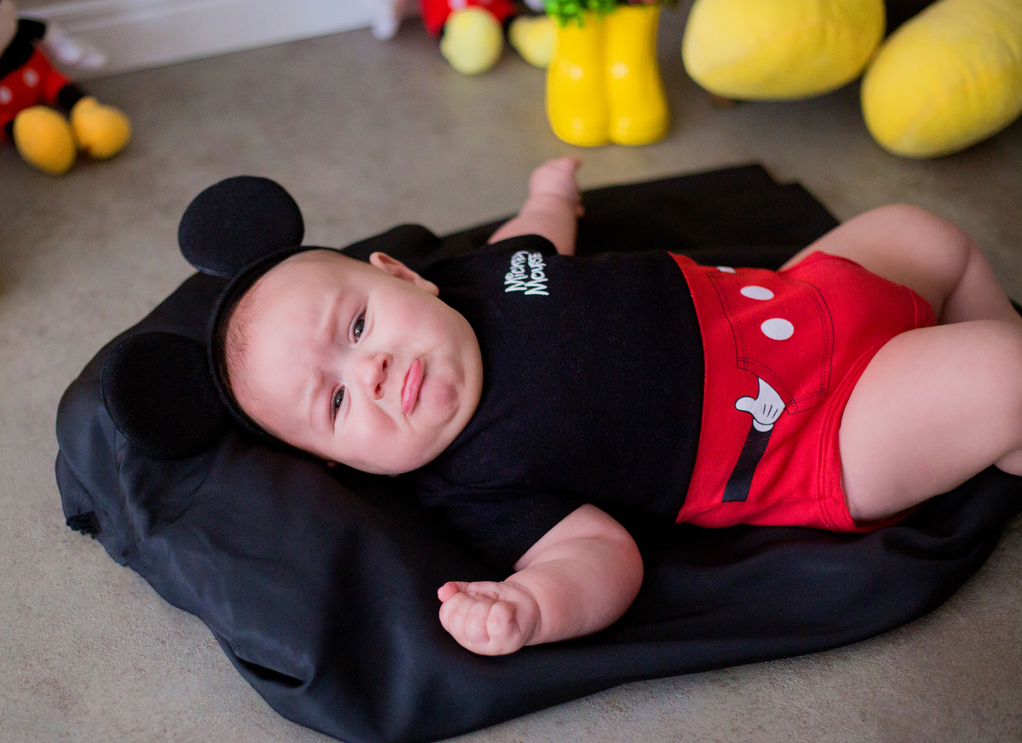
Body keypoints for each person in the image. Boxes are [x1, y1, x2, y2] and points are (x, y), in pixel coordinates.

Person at [213, 158, 1022, 657]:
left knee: (923, 232)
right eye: (337, 400)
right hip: (812, 431)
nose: (374, 370)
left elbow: (537, 235)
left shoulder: (482, 275)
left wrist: (550, 193)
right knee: (1000, 370)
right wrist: (533, 606)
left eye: (358, 327)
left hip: (794, 300)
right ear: (343, 463)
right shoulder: (473, 480)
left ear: (404, 276)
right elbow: (599, 555)